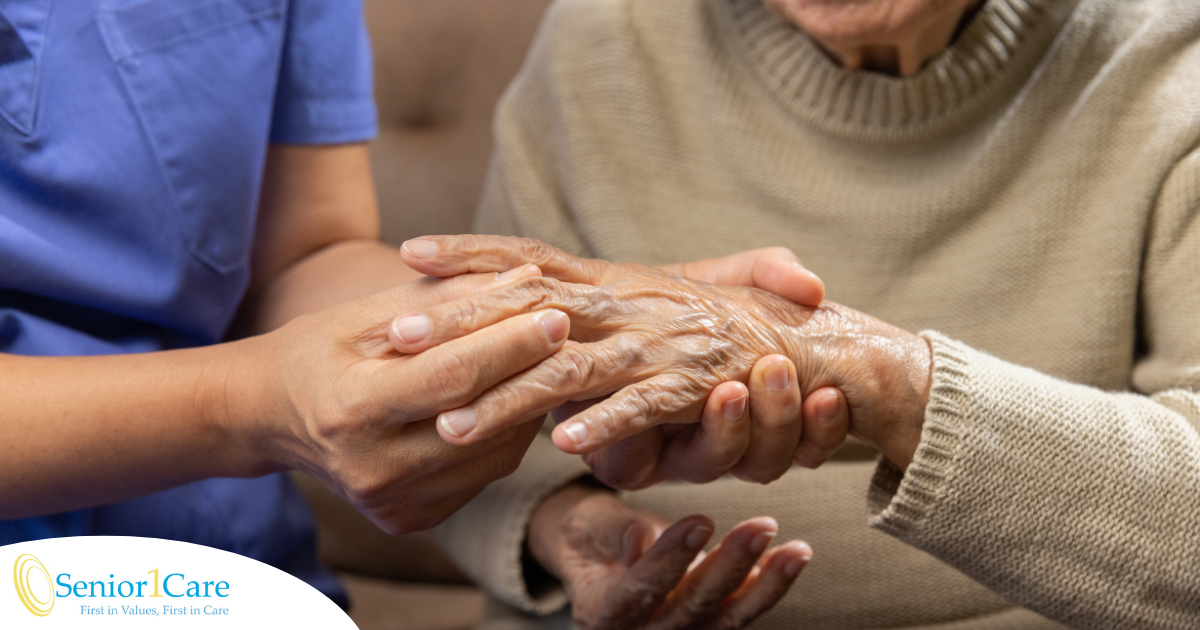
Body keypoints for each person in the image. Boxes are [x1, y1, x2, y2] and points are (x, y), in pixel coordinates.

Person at [0, 0, 822, 621]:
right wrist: (249, 406)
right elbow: (261, 389)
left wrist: (578, 311)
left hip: (218, 580)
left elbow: (301, 257)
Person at [396, 0, 1200, 627]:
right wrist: (566, 529)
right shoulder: (598, 43)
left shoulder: (1170, 59)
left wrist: (883, 377)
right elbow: (465, 432)